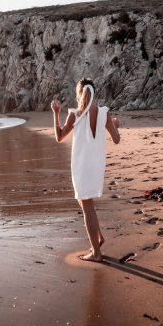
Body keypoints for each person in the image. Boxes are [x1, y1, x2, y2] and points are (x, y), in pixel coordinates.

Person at [51, 78, 120, 262]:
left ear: (79, 93)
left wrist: (56, 113)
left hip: (81, 166)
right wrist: (115, 124)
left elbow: (59, 137)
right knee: (86, 204)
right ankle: (98, 238)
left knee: (86, 206)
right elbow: (116, 139)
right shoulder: (104, 113)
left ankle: (96, 253)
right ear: (94, 92)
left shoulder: (75, 114)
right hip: (96, 165)